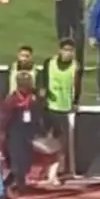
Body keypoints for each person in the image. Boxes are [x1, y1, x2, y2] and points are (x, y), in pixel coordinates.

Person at [37, 39, 82, 184]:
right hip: (49, 107)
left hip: (64, 109)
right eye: (65, 49)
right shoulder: (49, 62)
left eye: (70, 50)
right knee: (44, 142)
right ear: (60, 50)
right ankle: (42, 171)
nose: (68, 53)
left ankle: (53, 174)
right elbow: (42, 80)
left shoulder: (76, 67)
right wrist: (42, 92)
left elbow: (77, 86)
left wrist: (75, 102)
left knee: (59, 144)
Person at [0, 72, 43, 199]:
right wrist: (2, 136)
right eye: (24, 83)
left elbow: (37, 116)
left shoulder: (33, 99)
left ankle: (5, 186)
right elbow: (3, 120)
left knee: (26, 164)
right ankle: (18, 192)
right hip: (14, 135)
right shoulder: (11, 100)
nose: (27, 85)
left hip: (27, 135)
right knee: (18, 164)